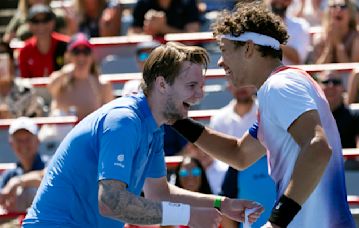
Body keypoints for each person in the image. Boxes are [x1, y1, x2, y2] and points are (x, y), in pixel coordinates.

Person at [23, 42, 263, 228]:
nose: (200, 95)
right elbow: (111, 202)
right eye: (191, 86)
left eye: (201, 86)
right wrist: (188, 215)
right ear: (161, 84)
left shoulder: (152, 125)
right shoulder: (124, 121)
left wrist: (222, 204)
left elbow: (160, 194)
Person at [171, 2, 354, 227]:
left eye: (225, 50)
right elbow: (239, 154)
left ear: (248, 49)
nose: (220, 61)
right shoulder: (284, 85)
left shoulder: (279, 86)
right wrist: (177, 120)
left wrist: (276, 221)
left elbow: (317, 147)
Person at [211, 81, 276, 228]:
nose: (241, 87)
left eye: (244, 83)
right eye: (236, 83)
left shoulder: (268, 113)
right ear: (228, 86)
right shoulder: (218, 118)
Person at [47, 33, 114, 120]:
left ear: (92, 56)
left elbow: (109, 116)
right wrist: (64, 73)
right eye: (76, 52)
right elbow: (50, 89)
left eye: (86, 52)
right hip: (63, 131)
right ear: (68, 55)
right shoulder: (60, 78)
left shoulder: (102, 84)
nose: (81, 57)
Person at [0, 117, 46, 212]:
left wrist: (17, 182)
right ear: (11, 144)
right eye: (19, 140)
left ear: (37, 141)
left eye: (27, 139)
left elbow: (48, 177)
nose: (23, 144)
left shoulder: (51, 164)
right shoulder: (9, 175)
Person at [318, 70, 359, 148]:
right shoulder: (311, 118)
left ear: (343, 88)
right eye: (326, 82)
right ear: (318, 87)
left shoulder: (357, 117)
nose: (331, 86)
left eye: (336, 82)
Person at [18, 4, 68, 78]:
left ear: (53, 22)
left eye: (46, 20)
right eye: (35, 21)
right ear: (29, 24)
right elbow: (25, 80)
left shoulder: (66, 44)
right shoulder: (24, 50)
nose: (41, 25)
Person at [0, 41, 46, 119]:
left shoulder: (26, 90)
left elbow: (33, 124)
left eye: (3, 55)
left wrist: (11, 118)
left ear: (12, 61)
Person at [266, 0, 311, 65]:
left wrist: (273, 42)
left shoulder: (300, 26)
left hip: (289, 74)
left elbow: (298, 58)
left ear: (290, 2)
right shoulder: (258, 25)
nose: (279, 1)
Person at [129, 0, 201, 37]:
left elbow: (192, 38)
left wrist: (163, 29)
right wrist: (148, 31)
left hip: (184, 54)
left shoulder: (187, 2)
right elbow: (132, 35)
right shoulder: (143, 3)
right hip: (150, 55)